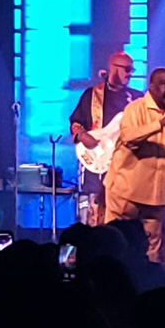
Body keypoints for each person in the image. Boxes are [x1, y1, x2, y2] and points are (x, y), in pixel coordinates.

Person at [104, 68, 165, 262]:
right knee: (115, 242)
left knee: (151, 250)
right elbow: (129, 137)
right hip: (126, 192)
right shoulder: (136, 109)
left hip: (156, 196)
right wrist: (161, 123)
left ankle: (148, 286)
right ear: (152, 87)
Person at [69, 51, 143, 226]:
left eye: (132, 69)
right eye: (126, 69)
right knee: (94, 215)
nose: (130, 73)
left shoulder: (137, 99)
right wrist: (81, 135)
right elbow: (76, 121)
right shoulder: (92, 94)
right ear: (113, 68)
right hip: (98, 163)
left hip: (127, 168)